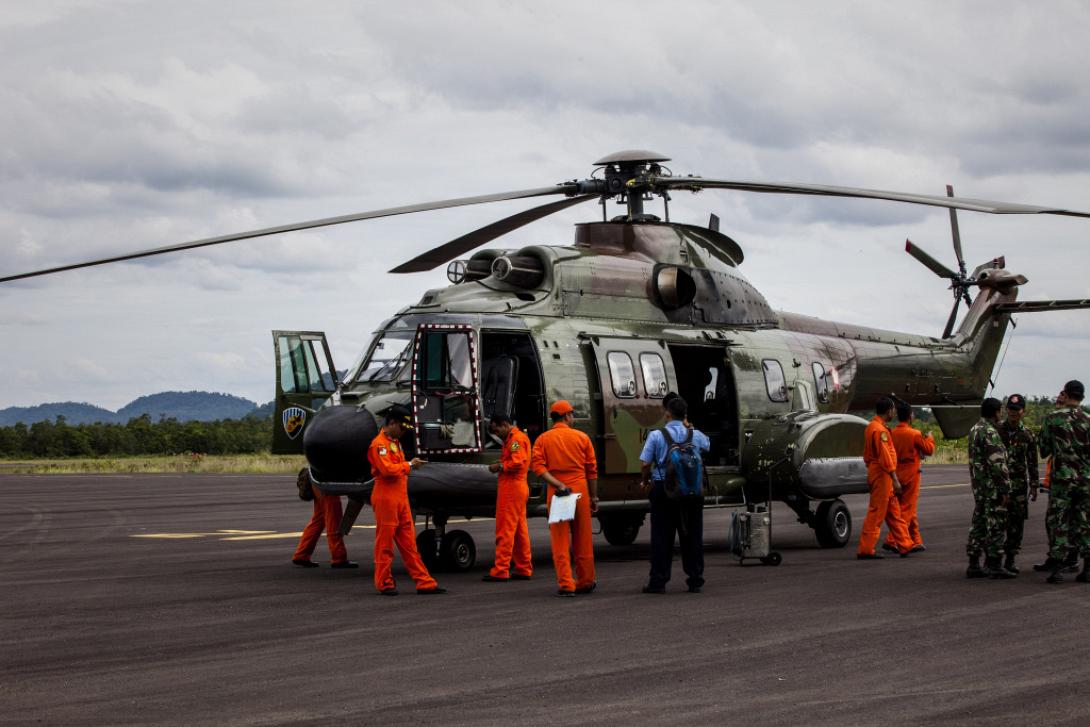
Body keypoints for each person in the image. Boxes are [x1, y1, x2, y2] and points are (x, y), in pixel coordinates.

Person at [367, 404, 445, 596]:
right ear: (392, 423)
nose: (403, 432)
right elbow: (387, 470)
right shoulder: (379, 445)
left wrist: (407, 465)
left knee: (409, 545)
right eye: (401, 427)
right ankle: (384, 582)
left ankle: (424, 582)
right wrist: (409, 464)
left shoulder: (394, 442)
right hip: (386, 497)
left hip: (400, 497)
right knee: (385, 544)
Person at [639, 395, 710, 594]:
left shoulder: (656, 435)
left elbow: (645, 463)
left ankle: (658, 582)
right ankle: (695, 580)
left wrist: (645, 481)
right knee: (693, 535)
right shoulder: (694, 434)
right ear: (685, 415)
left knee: (662, 537)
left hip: (664, 489)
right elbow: (708, 445)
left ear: (667, 414)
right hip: (692, 491)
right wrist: (690, 427)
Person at [530, 400, 598, 597]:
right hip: (580, 490)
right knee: (583, 538)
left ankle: (567, 584)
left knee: (559, 540)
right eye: (572, 415)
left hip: (559, 493)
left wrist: (557, 483)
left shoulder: (543, 439)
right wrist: (594, 497)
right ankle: (586, 581)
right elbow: (591, 471)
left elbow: (538, 467)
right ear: (567, 415)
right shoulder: (582, 437)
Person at [1036, 380, 1090, 584]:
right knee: (1084, 522)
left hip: (1062, 481)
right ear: (1082, 397)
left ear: (1066, 395)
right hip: (1085, 480)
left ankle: (1057, 568)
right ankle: (1087, 568)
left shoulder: (1053, 418)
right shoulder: (1088, 419)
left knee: (1060, 522)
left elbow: (1044, 449)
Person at [857, 398, 915, 559]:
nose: (895, 413)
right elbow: (884, 456)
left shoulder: (873, 427)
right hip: (883, 474)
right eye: (893, 410)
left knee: (894, 512)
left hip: (881, 474)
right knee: (876, 512)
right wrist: (894, 478)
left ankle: (905, 545)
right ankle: (866, 549)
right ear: (889, 411)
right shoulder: (879, 430)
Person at [965, 397, 1015, 579]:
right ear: (996, 412)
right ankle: (994, 563)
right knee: (996, 524)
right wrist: (1005, 488)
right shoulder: (990, 432)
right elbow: (997, 463)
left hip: (979, 486)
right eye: (1000, 410)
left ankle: (973, 562)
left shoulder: (975, 429)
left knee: (978, 523)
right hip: (991, 487)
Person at [482, 413, 533, 582]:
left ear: (504, 424)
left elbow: (517, 462)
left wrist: (500, 466)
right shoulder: (514, 438)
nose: (497, 434)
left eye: (497, 430)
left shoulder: (516, 439)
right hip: (518, 487)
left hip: (512, 488)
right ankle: (523, 567)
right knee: (519, 531)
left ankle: (501, 569)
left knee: (505, 529)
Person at [883, 402, 935, 554]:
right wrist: (930, 438)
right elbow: (929, 450)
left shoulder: (892, 433)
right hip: (911, 475)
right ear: (910, 416)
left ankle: (916, 540)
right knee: (907, 509)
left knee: (908, 510)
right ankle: (892, 540)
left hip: (896, 475)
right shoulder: (915, 434)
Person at [996, 393, 1039, 574]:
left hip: (1019, 485)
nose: (1013, 413)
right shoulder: (997, 430)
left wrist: (1035, 485)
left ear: (1023, 411)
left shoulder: (1028, 434)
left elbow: (1032, 461)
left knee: (1016, 524)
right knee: (997, 522)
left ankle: (1011, 559)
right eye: (1011, 409)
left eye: (1017, 410)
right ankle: (994, 559)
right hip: (1000, 484)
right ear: (1006, 410)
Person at [292, 470, 357, 569]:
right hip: (327, 483)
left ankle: (302, 554)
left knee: (319, 519)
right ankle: (338, 558)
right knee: (334, 521)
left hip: (317, 480)